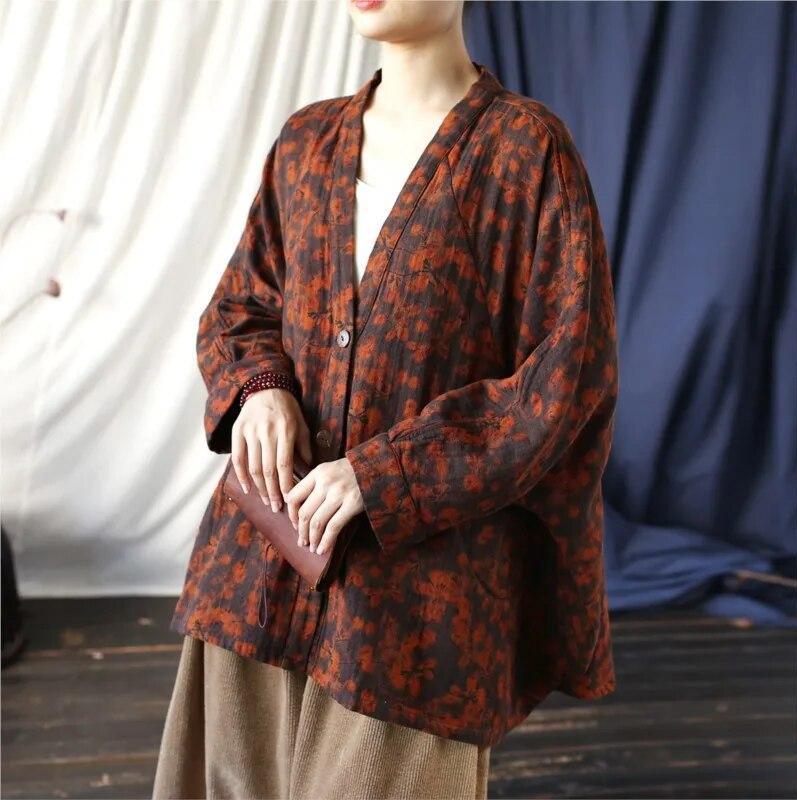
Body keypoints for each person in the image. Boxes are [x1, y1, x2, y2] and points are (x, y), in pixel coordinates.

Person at [153, 1, 619, 798]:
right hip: (259, 571)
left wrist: (387, 475)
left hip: (414, 607)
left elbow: (565, 376)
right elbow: (241, 305)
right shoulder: (307, 141)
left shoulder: (524, 151)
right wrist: (259, 389)